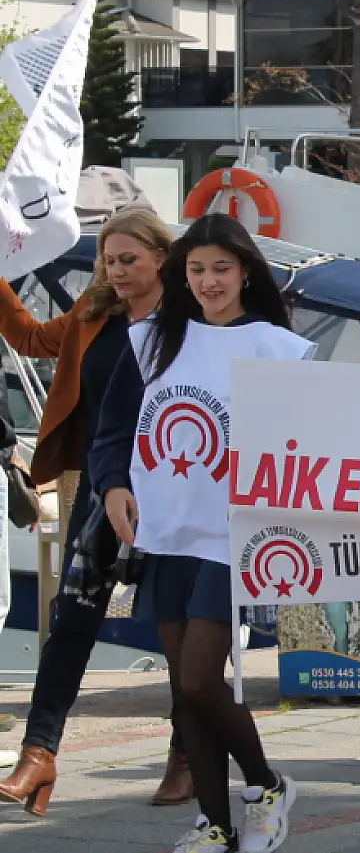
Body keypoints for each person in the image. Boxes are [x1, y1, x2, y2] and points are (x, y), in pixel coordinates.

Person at [90, 214, 314, 853]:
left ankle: (266, 785)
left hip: (231, 538)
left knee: (198, 679)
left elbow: (303, 445)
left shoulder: (275, 348)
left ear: (245, 272)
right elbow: (113, 431)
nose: (209, 282)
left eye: (221, 268)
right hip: (163, 534)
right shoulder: (152, 340)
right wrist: (113, 486)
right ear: (180, 274)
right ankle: (213, 824)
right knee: (183, 691)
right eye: (196, 270)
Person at [0, 208, 187, 817]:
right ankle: (38, 754)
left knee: (178, 624)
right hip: (102, 482)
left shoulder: (190, 323)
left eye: (128, 259)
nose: (116, 272)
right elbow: (31, 339)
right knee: (72, 617)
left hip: (176, 488)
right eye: (108, 261)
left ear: (161, 257)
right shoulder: (94, 312)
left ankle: (186, 751)